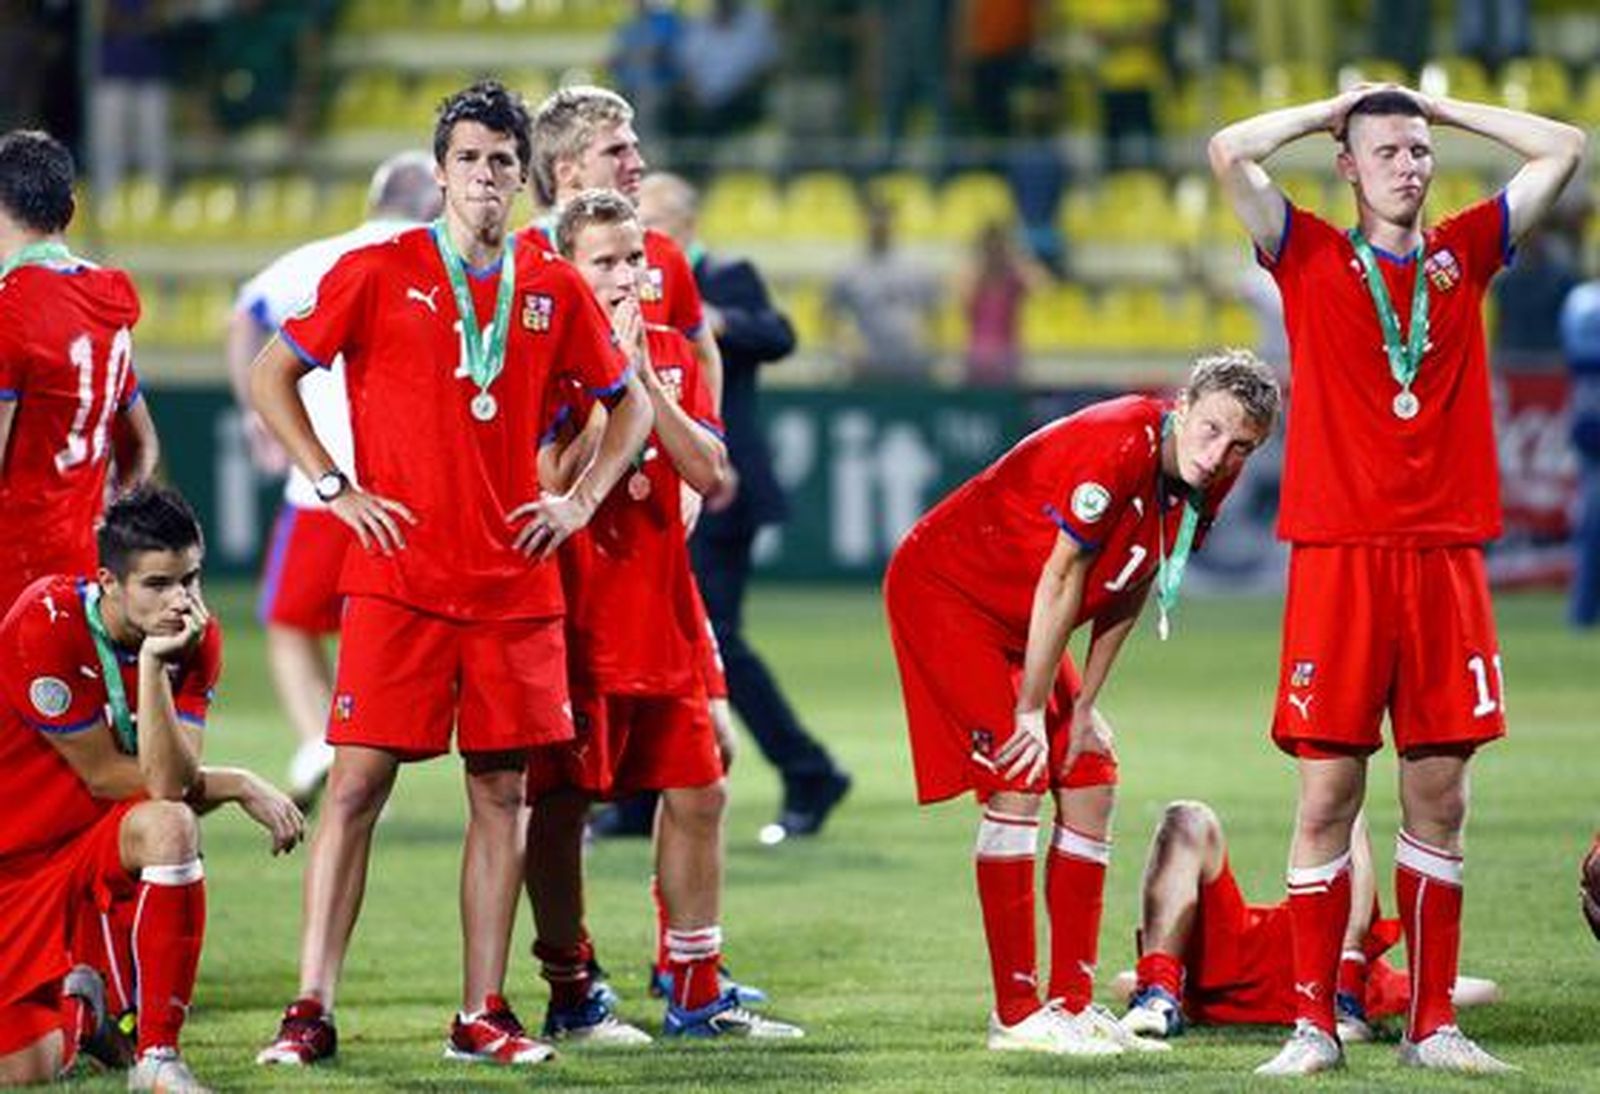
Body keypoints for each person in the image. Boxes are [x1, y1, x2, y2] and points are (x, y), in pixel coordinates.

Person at [250, 80, 652, 1069]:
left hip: (513, 583)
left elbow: (627, 404)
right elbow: (271, 371)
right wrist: (334, 482)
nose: (485, 177)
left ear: (524, 178)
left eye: (502, 163)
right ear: (440, 171)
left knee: (500, 793)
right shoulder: (379, 267)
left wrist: (581, 499)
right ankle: (310, 1005)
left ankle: (482, 1009)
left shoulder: (550, 285)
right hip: (396, 573)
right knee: (354, 785)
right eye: (470, 159)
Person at [1209, 85, 1584, 1074]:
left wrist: (1442, 108)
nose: (1408, 165)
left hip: (1445, 554)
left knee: (1440, 794)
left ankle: (1431, 1024)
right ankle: (1310, 1026)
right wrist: (1334, 106)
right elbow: (1227, 150)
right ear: (1346, 165)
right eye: (1385, 151)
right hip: (1337, 555)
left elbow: (1564, 148)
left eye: (1418, 151)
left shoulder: (1465, 252)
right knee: (1326, 790)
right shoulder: (1307, 254)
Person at [884, 351, 1280, 1056]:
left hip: (1023, 616)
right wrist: (1032, 709)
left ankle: (1068, 1005)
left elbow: (1131, 577)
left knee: (1092, 776)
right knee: (1018, 771)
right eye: (1212, 430)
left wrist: (1086, 703)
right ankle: (1015, 1014)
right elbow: (1064, 574)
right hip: (951, 591)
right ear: (1182, 407)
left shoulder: (1207, 478)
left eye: (1240, 445)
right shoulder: (1118, 443)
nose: (1219, 454)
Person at [525, 189, 802, 1043]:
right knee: (565, 804)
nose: (623, 275)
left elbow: (710, 472)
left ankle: (693, 991)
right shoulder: (543, 354)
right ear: (569, 268)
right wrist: (609, 387)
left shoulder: (676, 351)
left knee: (702, 788)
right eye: (604, 260)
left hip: (661, 604)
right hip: (575, 614)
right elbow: (548, 480)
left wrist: (644, 379)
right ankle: (571, 994)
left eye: (633, 259)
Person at [0, 485, 304, 1091]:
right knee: (21, 1070)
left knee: (170, 823)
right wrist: (239, 783)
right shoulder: (46, 624)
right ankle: (84, 1016)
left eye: (190, 579)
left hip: (93, 856)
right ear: (109, 582)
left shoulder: (195, 639)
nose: (181, 600)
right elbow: (105, 775)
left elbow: (169, 784)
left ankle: (157, 1056)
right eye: (159, 584)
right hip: (13, 863)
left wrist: (156, 666)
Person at [639, 171, 852, 842]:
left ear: (687, 223)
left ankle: (807, 768)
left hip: (721, 484)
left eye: (655, 220)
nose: (643, 236)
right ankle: (632, 796)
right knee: (659, 636)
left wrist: (713, 321)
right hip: (658, 482)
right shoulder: (631, 282)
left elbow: (779, 333)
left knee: (714, 640)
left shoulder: (724, 277)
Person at [226, 150, 441, 811]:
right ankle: (349, 749)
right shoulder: (440, 259)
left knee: (290, 621)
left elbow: (246, 313)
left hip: (324, 482)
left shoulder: (319, 259)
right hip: (417, 482)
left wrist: (254, 411)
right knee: (390, 633)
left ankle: (321, 742)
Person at [1114, 801, 1501, 1041]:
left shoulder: (1385, 988)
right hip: (1320, 966)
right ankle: (1158, 997)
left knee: (1188, 818)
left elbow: (1120, 981)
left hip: (1218, 967)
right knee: (1344, 811)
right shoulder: (1386, 987)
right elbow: (1483, 990)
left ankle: (1157, 994)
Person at [0, 128, 160, 615]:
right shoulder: (104, 300)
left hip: (12, 572)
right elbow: (142, 444)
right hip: (83, 572)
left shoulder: (10, 308)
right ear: (69, 210)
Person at [524, 83, 723, 406]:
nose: (638, 164)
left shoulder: (663, 252)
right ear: (567, 171)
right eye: (616, 151)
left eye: (633, 148)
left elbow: (702, 353)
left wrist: (705, 430)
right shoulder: (518, 262)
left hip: (649, 450)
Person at [824, 199, 941, 381]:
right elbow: (830, 314)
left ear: (894, 222)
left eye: (884, 219)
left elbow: (935, 312)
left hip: (910, 363)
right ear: (863, 222)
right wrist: (844, 351)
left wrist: (929, 348)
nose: (879, 225)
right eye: (874, 219)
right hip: (867, 365)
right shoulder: (849, 270)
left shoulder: (917, 267)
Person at [1562, 280, 1600, 628]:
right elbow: (1578, 353)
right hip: (1593, 430)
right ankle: (1583, 611)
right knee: (1593, 524)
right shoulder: (1584, 299)